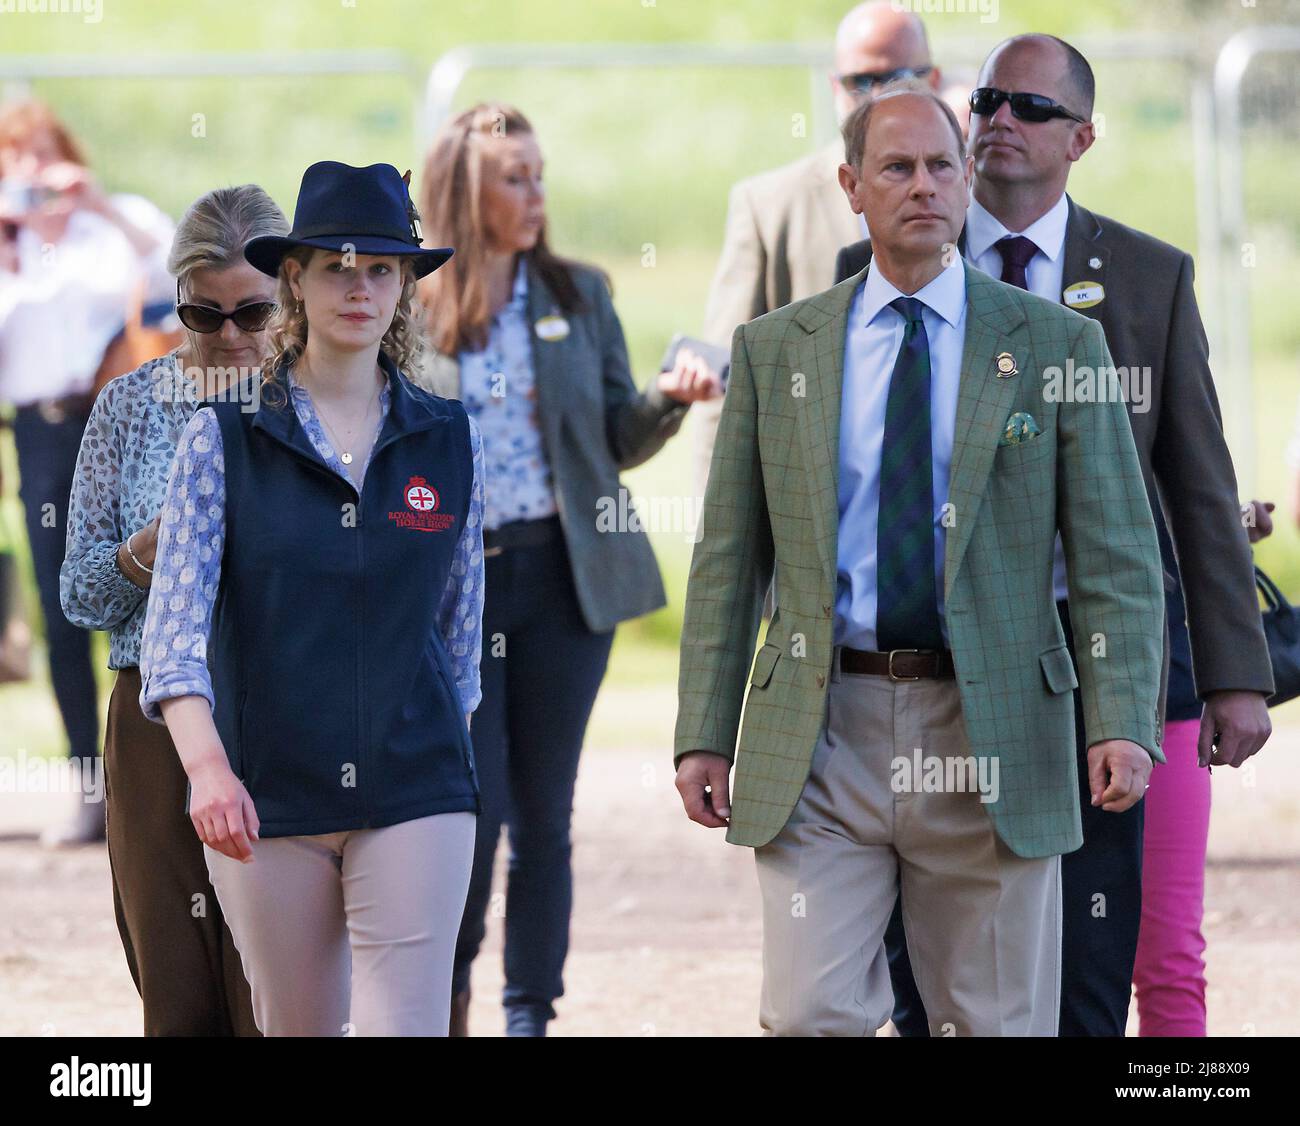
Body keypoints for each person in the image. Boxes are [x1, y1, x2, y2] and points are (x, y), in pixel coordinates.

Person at [674, 87, 1166, 1036]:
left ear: (968, 178)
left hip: (997, 726)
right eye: (896, 168)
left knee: (993, 1021)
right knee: (812, 1012)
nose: (924, 186)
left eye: (944, 166)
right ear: (852, 186)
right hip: (823, 727)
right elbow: (729, 558)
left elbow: (1116, 555)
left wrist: (1122, 720)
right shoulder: (779, 352)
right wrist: (703, 725)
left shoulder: (1059, 344)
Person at [835, 34, 1274, 1038]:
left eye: (1028, 108)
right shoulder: (875, 267)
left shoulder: (1148, 279)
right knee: (926, 962)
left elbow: (1197, 485)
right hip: (928, 665)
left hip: (1094, 662)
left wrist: (1231, 671)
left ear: (1080, 136)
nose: (996, 119)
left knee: (1087, 952)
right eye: (986, 99)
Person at [139, 161, 483, 1037]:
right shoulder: (220, 442)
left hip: (419, 785)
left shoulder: (448, 439)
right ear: (293, 278)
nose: (357, 286)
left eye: (379, 268)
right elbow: (172, 636)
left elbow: (461, 634)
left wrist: (443, 748)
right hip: (267, 791)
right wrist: (208, 771)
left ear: (404, 285)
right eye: (334, 265)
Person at [417, 102, 720, 1036]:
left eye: (540, 174)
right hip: (450, 592)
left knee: (545, 814)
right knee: (472, 808)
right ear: (466, 193)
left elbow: (613, 440)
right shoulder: (409, 306)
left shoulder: (580, 296)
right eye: (515, 177)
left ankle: (528, 1013)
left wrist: (666, 401)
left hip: (561, 581)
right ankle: (445, 992)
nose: (536, 193)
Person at [60, 185, 286, 1036]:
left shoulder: (313, 405)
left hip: (281, 707)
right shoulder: (127, 406)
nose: (229, 336)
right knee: (175, 987)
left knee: (273, 988)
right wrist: (156, 547)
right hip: (153, 719)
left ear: (290, 295)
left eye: (253, 312)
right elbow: (81, 594)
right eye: (204, 315)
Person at [0, 98, 174, 847]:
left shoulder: (113, 223)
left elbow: (177, 272)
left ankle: (161, 766)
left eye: (45, 153)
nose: (35, 172)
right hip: (39, 430)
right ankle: (89, 781)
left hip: (118, 416)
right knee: (61, 600)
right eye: (18, 158)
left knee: (141, 583)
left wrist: (93, 204)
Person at [692, 0, 942, 497]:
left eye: (896, 79)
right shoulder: (770, 207)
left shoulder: (963, 199)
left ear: (933, 80)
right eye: (859, 82)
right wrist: (718, 526)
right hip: (813, 506)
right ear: (834, 87)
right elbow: (725, 383)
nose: (876, 96)